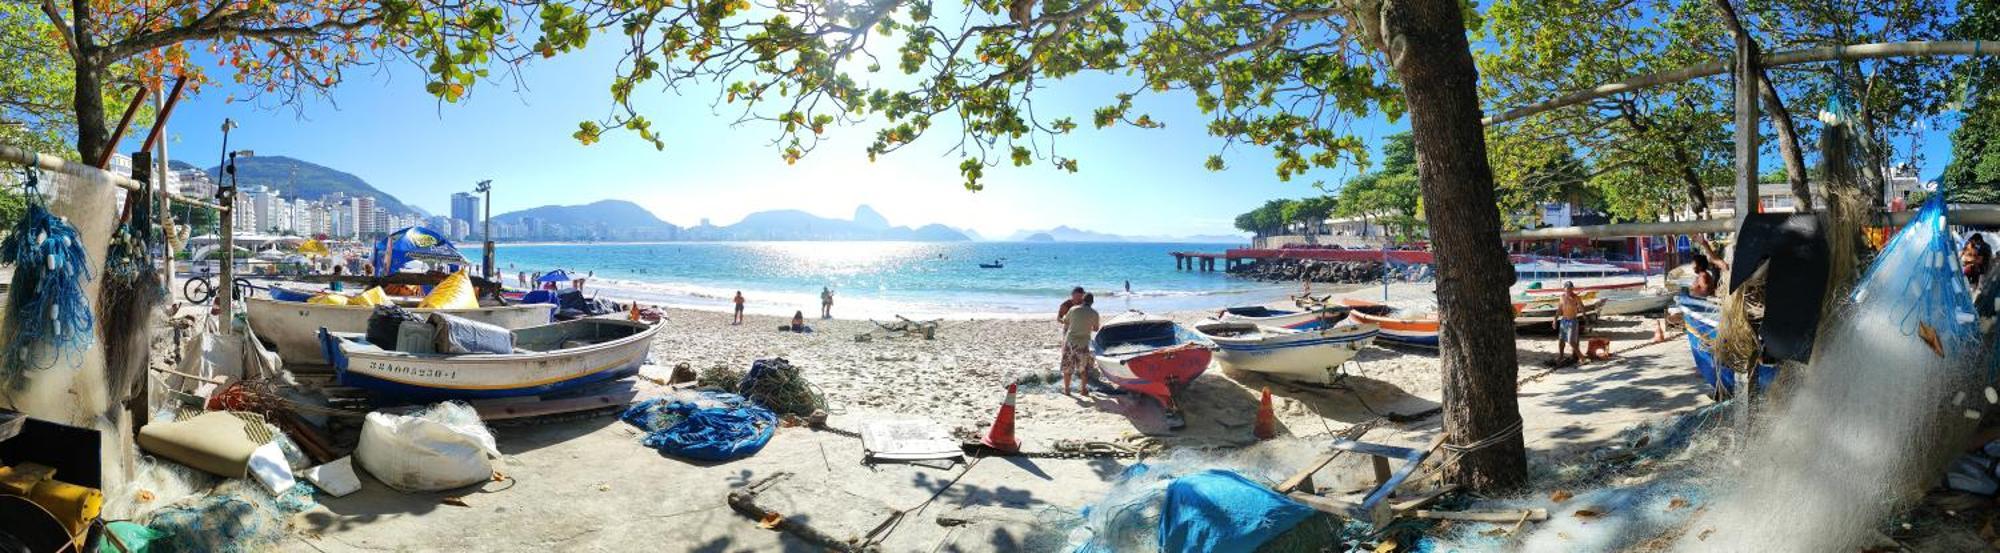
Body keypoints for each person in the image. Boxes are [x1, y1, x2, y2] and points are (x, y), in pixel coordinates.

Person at [1060, 293, 1101, 398]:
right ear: (1092, 302)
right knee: (1083, 369)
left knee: (1067, 367)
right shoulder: (1094, 313)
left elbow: (1065, 321)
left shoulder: (1074, 309)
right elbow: (1096, 329)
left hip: (1070, 342)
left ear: (1083, 300)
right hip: (1083, 344)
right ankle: (1083, 390)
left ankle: (1067, 390)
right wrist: (1087, 328)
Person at [1553, 281, 1585, 363]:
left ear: (1572, 289)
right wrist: (1555, 320)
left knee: (1571, 341)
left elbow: (1581, 307)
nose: (1568, 291)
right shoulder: (1562, 297)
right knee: (1561, 340)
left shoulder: (1576, 297)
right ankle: (1561, 356)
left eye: (1570, 289)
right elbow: (1559, 309)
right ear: (1564, 289)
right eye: (1567, 289)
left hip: (1572, 321)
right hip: (1564, 320)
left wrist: (1584, 315)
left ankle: (1582, 358)